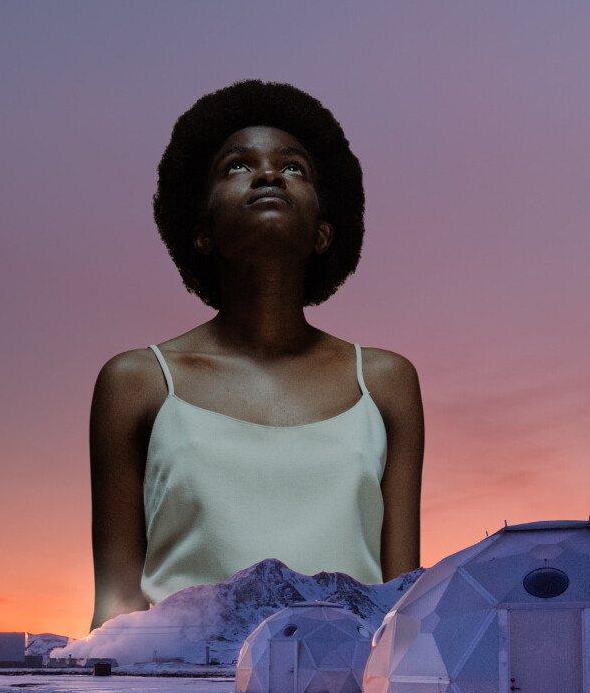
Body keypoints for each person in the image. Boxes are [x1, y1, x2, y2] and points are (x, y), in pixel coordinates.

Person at [89, 80, 424, 630]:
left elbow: (403, 608)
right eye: (237, 166)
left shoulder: (385, 382)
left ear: (322, 232)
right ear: (200, 232)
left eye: (293, 168)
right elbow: (114, 613)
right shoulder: (136, 382)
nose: (268, 174)